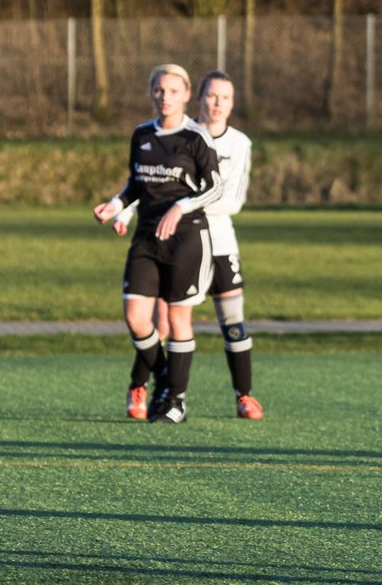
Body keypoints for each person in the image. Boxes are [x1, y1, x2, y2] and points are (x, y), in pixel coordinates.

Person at [116, 70, 262, 420]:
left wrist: (182, 206)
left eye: (224, 98)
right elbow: (152, 184)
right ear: (197, 99)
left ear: (232, 104)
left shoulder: (239, 144)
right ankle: (144, 387)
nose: (216, 103)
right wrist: (127, 208)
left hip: (217, 242)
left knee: (232, 321)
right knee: (159, 323)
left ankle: (244, 396)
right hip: (174, 241)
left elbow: (232, 201)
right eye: (211, 96)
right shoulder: (179, 135)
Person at [93, 63, 223, 424]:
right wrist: (115, 205)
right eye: (158, 90)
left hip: (185, 238)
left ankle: (175, 402)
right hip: (146, 237)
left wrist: (179, 208)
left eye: (172, 91)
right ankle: (167, 380)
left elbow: (215, 186)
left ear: (185, 96)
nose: (165, 97)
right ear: (152, 93)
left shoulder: (196, 138)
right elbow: (136, 183)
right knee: (136, 319)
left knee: (178, 317)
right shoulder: (141, 135)